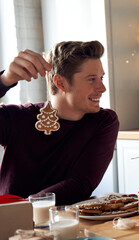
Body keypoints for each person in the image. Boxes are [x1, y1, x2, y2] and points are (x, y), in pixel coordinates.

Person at [0, 41, 119, 205]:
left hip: (65, 225)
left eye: (101, 78)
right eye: (92, 79)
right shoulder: (17, 118)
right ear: (60, 82)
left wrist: (26, 207)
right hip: (11, 224)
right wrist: (4, 80)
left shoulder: (103, 122)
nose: (102, 88)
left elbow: (80, 183)